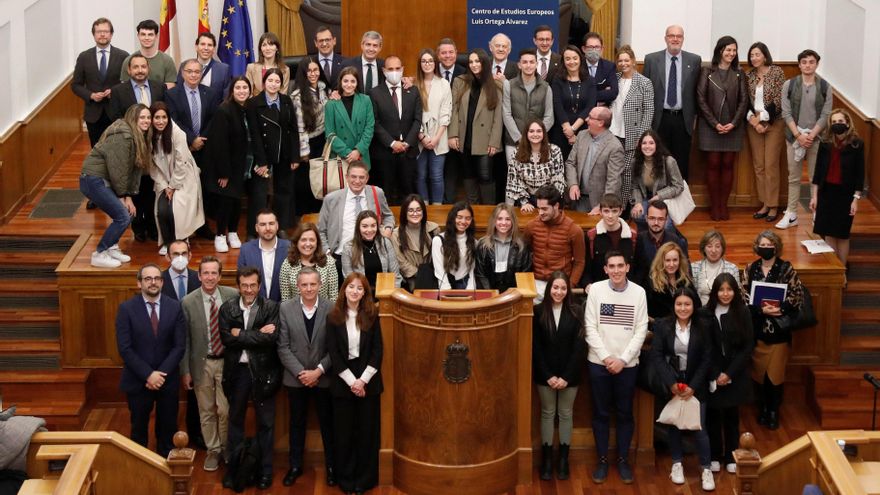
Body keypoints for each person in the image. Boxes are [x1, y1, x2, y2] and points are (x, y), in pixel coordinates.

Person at [584, 251, 648, 485]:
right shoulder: (597, 291)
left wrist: (622, 359)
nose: (616, 270)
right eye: (612, 266)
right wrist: (607, 357)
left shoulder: (639, 293)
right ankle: (601, 460)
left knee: (624, 414)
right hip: (598, 363)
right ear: (605, 269)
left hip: (628, 365)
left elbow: (641, 330)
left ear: (628, 268)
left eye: (621, 266)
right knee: (600, 413)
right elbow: (590, 327)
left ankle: (622, 459)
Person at [219, 266, 282, 490]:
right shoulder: (227, 309)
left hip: (265, 373)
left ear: (259, 286)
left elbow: (271, 339)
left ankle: (265, 471)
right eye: (244, 286)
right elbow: (227, 339)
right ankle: (233, 472)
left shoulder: (271, 307)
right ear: (238, 286)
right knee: (235, 422)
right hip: (237, 373)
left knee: (266, 424)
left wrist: (241, 334)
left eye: (253, 285)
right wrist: (256, 334)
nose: (248, 290)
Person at [115, 263, 186, 457]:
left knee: (168, 430)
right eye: (148, 279)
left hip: (167, 379)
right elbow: (125, 348)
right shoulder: (126, 309)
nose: (152, 283)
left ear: (162, 282)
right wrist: (148, 374)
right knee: (138, 430)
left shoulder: (175, 307)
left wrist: (160, 374)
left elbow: (179, 346)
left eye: (156, 279)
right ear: (139, 283)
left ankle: (165, 471)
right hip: (139, 381)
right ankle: (141, 471)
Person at [649, 287, 715, 492]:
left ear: (694, 305)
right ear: (674, 306)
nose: (683, 308)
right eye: (679, 304)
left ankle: (706, 468)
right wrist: (671, 384)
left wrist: (693, 387)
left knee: (699, 427)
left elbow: (706, 359)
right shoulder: (663, 326)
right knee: (674, 425)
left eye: (687, 304)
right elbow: (657, 356)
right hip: (673, 381)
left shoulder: (703, 326)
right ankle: (676, 463)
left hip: (696, 382)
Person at [277, 267, 337, 487]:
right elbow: (282, 347)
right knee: (296, 423)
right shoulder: (285, 308)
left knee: (327, 424)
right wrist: (302, 373)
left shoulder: (332, 308)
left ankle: (332, 467)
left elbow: (335, 347)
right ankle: (295, 466)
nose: (309, 288)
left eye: (313, 284)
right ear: (297, 286)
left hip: (324, 378)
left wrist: (319, 371)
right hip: (296, 378)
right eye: (304, 285)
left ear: (320, 285)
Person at [326, 273, 384, 494]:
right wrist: (352, 382)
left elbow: (378, 351)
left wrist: (363, 381)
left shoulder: (373, 315)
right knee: (344, 433)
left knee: (367, 432)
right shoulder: (333, 317)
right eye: (351, 287)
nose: (355, 292)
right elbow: (334, 353)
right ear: (344, 290)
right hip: (343, 381)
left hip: (368, 380)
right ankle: (346, 479)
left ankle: (365, 479)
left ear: (365, 293)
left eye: (360, 288)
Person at [742, 230, 805, 430]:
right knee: (759, 375)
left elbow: (797, 294)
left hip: (778, 332)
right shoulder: (751, 268)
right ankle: (762, 408)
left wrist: (780, 308)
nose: (766, 248)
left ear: (776, 247)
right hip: (758, 331)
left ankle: (773, 411)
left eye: (770, 245)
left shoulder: (786, 269)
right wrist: (760, 309)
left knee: (774, 377)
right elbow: (743, 295)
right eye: (763, 245)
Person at [180, 256, 238, 472]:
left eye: (214, 273)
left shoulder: (232, 296)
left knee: (224, 410)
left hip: (226, 363)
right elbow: (185, 340)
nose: (210, 277)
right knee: (206, 411)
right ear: (199, 275)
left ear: (220, 276)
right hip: (201, 364)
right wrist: (185, 371)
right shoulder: (188, 301)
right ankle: (213, 450)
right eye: (206, 273)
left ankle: (226, 448)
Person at [79, 103, 151, 268]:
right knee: (123, 216)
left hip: (104, 180)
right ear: (133, 118)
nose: (146, 121)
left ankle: (111, 246)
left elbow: (132, 171)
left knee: (128, 213)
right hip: (93, 180)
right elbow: (118, 169)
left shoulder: (136, 136)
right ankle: (100, 253)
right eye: (142, 117)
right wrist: (123, 196)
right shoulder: (123, 135)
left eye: (148, 117)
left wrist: (129, 197)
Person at [533, 271, 584, 480]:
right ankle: (546, 459)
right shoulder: (537, 311)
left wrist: (566, 376)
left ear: (568, 291)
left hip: (569, 376)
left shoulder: (576, 311)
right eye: (555, 287)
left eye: (563, 288)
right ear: (549, 289)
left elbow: (579, 347)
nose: (559, 292)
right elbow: (535, 347)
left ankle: (563, 459)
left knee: (565, 413)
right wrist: (547, 375)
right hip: (545, 375)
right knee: (547, 413)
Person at [108, 55, 164, 243]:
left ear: (148, 68)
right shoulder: (118, 91)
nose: (140, 70)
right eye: (135, 67)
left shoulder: (159, 87)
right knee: (135, 187)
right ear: (129, 70)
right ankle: (138, 226)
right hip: (130, 146)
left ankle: (152, 225)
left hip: (155, 145)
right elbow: (115, 117)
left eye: (143, 67)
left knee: (150, 187)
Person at [703, 273, 754, 474]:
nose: (725, 294)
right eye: (721, 290)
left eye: (729, 289)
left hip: (735, 371)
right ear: (715, 292)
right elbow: (706, 347)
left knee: (732, 417)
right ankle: (715, 455)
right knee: (713, 417)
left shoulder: (743, 312)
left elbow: (747, 346)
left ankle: (731, 454)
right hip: (713, 371)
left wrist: (729, 373)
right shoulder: (706, 313)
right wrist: (716, 374)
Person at [777, 49, 833, 230]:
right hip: (793, 137)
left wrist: (811, 135)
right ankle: (791, 214)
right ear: (799, 64)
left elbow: (826, 114)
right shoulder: (789, 85)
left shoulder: (825, 87)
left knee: (815, 178)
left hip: (816, 139)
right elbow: (786, 112)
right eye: (804, 62)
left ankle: (818, 213)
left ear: (817, 64)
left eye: (811, 62)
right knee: (793, 177)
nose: (808, 65)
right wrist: (798, 135)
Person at [696, 36, 749, 221]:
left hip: (733, 125)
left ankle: (723, 206)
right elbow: (700, 99)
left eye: (734, 50)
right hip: (711, 125)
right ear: (720, 51)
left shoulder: (739, 73)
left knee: (727, 165)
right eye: (728, 50)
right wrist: (715, 123)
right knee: (713, 164)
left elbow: (744, 101)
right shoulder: (707, 71)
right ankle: (714, 206)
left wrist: (734, 123)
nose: (731, 53)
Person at [317, 161, 395, 283]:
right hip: (339, 255)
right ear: (346, 177)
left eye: (361, 177)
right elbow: (321, 230)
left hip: (370, 255)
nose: (357, 181)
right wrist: (327, 253)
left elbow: (388, 216)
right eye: (353, 177)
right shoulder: (331, 199)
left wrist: (388, 229)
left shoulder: (377, 193)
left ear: (367, 178)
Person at [642, 25, 703, 180]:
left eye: (679, 36)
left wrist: (695, 118)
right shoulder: (651, 59)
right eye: (671, 36)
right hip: (659, 119)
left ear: (683, 39)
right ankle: (659, 201)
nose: (675, 39)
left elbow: (697, 91)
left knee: (681, 163)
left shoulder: (694, 60)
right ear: (665, 38)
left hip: (683, 119)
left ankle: (680, 201)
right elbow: (645, 92)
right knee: (658, 162)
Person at [810, 109, 865, 275]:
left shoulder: (856, 144)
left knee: (842, 235)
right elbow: (818, 172)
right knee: (828, 233)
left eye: (840, 121)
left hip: (845, 195)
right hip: (826, 193)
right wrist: (814, 196)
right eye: (834, 122)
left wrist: (855, 199)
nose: (837, 125)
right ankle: (832, 271)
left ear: (847, 123)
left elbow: (860, 174)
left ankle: (842, 271)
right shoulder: (825, 142)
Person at [246, 68, 300, 236]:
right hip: (263, 155)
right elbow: (254, 134)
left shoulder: (286, 101)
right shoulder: (254, 103)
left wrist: (295, 156)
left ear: (281, 84)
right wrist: (261, 161)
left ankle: (281, 227)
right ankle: (255, 230)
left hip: (284, 153)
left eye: (277, 81)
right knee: (259, 195)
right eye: (270, 81)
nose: (273, 84)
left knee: (283, 192)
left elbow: (293, 130)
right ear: (264, 83)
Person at [448, 48, 503, 204]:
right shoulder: (461, 81)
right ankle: (473, 209)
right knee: (468, 174)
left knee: (485, 175)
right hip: (464, 136)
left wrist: (494, 141)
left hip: (485, 139)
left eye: (477, 61)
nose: (473, 64)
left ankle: (488, 210)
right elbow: (454, 109)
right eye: (471, 61)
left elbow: (498, 117)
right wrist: (453, 134)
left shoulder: (496, 84)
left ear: (484, 62)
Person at [149, 102, 205, 255]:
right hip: (163, 179)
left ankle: (181, 240)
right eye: (157, 117)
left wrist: (173, 186)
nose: (161, 121)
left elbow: (181, 161)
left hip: (183, 177)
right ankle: (168, 242)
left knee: (178, 208)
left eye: (164, 117)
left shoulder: (177, 133)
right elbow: (151, 166)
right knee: (162, 209)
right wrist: (164, 185)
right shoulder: (148, 135)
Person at [205, 76, 251, 252]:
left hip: (241, 166)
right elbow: (219, 144)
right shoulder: (224, 110)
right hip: (226, 168)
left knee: (236, 201)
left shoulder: (246, 109)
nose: (242, 91)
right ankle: (220, 235)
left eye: (245, 88)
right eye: (238, 88)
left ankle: (232, 232)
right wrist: (223, 173)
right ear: (232, 90)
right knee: (225, 202)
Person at [370, 55, 423, 203]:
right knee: (385, 196)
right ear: (384, 70)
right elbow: (375, 122)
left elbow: (417, 120)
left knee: (408, 195)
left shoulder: (412, 91)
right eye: (390, 69)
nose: (394, 72)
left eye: (397, 69)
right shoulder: (374, 93)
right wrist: (393, 143)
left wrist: (406, 143)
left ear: (403, 70)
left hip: (408, 153)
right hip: (384, 154)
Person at [745, 42, 786, 223]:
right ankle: (764, 203)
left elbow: (779, 99)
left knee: (771, 165)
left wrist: (765, 120)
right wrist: (754, 121)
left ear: (765, 55)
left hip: (774, 123)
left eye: (757, 54)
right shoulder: (748, 75)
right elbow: (745, 101)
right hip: (754, 124)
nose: (754, 57)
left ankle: (773, 205)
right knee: (759, 166)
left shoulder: (776, 72)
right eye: (752, 55)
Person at [72, 17, 128, 146]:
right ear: (94, 34)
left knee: (117, 149)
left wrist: (114, 92)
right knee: (96, 150)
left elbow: (128, 83)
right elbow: (75, 85)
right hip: (93, 113)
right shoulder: (84, 57)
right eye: (98, 31)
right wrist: (91, 95)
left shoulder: (123, 56)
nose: (102, 34)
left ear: (111, 34)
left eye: (106, 31)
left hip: (116, 112)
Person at [610, 45, 654, 207]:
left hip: (632, 134)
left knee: (628, 172)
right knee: (614, 171)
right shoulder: (613, 79)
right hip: (613, 131)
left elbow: (649, 110)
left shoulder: (644, 82)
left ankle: (626, 205)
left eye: (626, 60)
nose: (623, 63)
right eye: (620, 60)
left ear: (633, 61)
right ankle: (612, 204)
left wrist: (641, 137)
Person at [524, 185, 586, 298]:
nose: (540, 213)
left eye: (544, 209)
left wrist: (569, 286)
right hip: (535, 284)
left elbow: (579, 262)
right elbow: (525, 255)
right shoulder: (531, 226)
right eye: (538, 208)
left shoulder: (574, 230)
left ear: (556, 206)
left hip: (560, 286)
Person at [501, 48, 554, 172]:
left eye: (531, 62)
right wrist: (520, 139)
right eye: (525, 62)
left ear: (536, 64)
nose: (528, 65)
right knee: (515, 177)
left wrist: (536, 137)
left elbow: (549, 117)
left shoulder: (546, 87)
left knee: (537, 178)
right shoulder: (509, 84)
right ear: (519, 65)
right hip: (514, 142)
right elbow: (506, 114)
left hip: (538, 143)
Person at [565, 106, 625, 214]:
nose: (586, 119)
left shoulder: (615, 147)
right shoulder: (582, 135)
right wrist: (573, 184)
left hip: (599, 204)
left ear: (600, 123)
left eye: (590, 117)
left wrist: (603, 205)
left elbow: (613, 181)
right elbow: (570, 163)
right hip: (578, 200)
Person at [291, 56, 329, 215]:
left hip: (323, 140)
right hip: (307, 143)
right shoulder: (297, 96)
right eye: (309, 71)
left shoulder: (323, 88)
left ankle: (319, 216)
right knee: (306, 183)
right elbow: (300, 128)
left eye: (315, 70)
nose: (313, 74)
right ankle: (306, 218)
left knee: (320, 181)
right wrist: (304, 152)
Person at [415, 48, 453, 205]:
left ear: (435, 63)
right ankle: (423, 207)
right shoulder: (414, 84)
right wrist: (422, 136)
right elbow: (411, 114)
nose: (427, 64)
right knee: (420, 175)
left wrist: (436, 138)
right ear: (420, 64)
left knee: (436, 176)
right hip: (419, 138)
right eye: (424, 61)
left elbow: (446, 113)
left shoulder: (444, 84)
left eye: (430, 60)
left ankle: (437, 209)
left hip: (439, 137)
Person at [629, 130, 684, 231]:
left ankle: (672, 241)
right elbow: (635, 186)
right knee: (638, 215)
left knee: (666, 226)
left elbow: (679, 186)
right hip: (647, 199)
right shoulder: (635, 162)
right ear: (640, 145)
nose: (647, 146)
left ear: (657, 145)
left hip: (665, 200)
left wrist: (659, 196)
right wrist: (638, 203)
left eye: (651, 143)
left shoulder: (668, 161)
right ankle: (645, 239)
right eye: (644, 143)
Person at [505, 119, 566, 209]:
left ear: (544, 133)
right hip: (527, 200)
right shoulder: (517, 153)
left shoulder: (555, 151)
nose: (535, 134)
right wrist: (524, 202)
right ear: (526, 134)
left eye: (539, 131)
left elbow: (558, 179)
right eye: (531, 131)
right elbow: (514, 180)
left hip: (550, 200)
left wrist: (548, 202)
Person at [324, 67, 376, 169]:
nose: (349, 84)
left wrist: (358, 150)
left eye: (353, 81)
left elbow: (369, 127)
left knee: (360, 183)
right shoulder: (331, 104)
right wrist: (348, 153)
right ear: (340, 82)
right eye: (345, 81)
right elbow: (329, 134)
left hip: (361, 155)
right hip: (340, 158)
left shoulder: (366, 100)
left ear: (357, 83)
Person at [550, 45, 597, 159]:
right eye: (568, 59)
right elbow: (557, 105)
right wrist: (568, 129)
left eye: (575, 58)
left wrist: (573, 129)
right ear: (563, 61)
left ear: (580, 59)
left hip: (583, 130)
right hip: (561, 131)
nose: (572, 62)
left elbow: (590, 106)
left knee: (581, 166)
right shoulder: (557, 80)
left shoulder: (590, 80)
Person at [475, 203, 532, 292]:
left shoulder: (522, 246)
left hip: (513, 297)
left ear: (513, 221)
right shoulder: (483, 245)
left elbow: (524, 275)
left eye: (508, 219)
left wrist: (513, 296)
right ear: (494, 221)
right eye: (499, 219)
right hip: (489, 297)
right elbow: (480, 275)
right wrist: (491, 296)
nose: (503, 223)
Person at [583, 193, 636, 290]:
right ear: (600, 212)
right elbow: (586, 266)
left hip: (627, 290)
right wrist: (587, 285)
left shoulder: (633, 236)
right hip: (599, 290)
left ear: (620, 211)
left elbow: (638, 267)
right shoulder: (591, 236)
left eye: (614, 211)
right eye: (606, 211)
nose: (610, 216)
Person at [237, 209, 292, 302]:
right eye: (263, 224)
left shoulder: (290, 248)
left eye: (271, 223)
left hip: (283, 309)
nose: (267, 228)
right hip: (255, 308)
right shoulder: (246, 250)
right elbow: (241, 280)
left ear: (277, 225)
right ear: (256, 227)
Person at [391, 194, 440, 291]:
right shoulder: (396, 235)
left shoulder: (434, 229)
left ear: (423, 211)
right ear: (405, 212)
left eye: (418, 210)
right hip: (411, 281)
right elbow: (401, 262)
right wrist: (421, 275)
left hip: (434, 279)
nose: (415, 213)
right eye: (411, 210)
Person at [632, 201, 689, 286]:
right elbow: (637, 271)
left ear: (666, 220)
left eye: (660, 219)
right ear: (646, 218)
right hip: (647, 291)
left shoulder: (676, 241)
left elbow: (685, 271)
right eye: (652, 218)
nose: (656, 223)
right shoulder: (639, 240)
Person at [279, 222, 339, 302]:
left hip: (324, 312)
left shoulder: (329, 262)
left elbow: (333, 298)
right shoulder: (287, 264)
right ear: (297, 242)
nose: (308, 244)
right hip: (295, 313)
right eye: (303, 240)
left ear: (317, 242)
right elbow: (286, 300)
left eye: (312, 240)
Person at [342, 210, 402, 290]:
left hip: (385, 293)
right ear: (358, 228)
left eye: (373, 226)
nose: (369, 230)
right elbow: (348, 279)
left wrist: (392, 295)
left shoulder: (385, 243)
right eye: (365, 226)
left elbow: (395, 276)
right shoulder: (348, 248)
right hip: (360, 295)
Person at [431, 202, 477, 290]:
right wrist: (446, 291)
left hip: (465, 284)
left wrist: (470, 288)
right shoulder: (439, 240)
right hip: (445, 284)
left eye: (468, 218)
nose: (463, 222)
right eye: (459, 217)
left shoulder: (474, 242)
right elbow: (439, 270)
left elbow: (471, 269)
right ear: (453, 218)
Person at [120, 20, 177, 89]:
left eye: (150, 35)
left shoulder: (167, 61)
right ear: (138, 36)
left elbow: (170, 88)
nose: (146, 38)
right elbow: (124, 89)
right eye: (143, 34)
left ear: (156, 36)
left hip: (160, 99)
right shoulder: (129, 60)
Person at [646, 241, 694, 321]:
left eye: (675, 260)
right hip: (660, 327)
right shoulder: (651, 283)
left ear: (680, 261)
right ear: (661, 261)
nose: (671, 264)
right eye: (667, 260)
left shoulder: (686, 280)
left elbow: (696, 304)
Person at [175, 32, 231, 97]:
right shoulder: (184, 65)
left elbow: (226, 97)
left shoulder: (224, 69)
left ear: (214, 49)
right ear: (196, 47)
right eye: (202, 44)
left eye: (210, 45)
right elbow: (179, 91)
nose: (206, 48)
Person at [691, 230, 740, 305]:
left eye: (717, 246)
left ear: (722, 248)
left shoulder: (732, 268)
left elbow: (736, 295)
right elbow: (691, 295)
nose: (713, 250)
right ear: (704, 248)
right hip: (701, 311)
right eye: (709, 246)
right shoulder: (694, 267)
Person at [581, 32, 618, 107]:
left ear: (602, 49)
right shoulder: (578, 66)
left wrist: (586, 95)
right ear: (584, 49)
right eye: (590, 47)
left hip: (600, 113)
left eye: (597, 47)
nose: (594, 50)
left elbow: (613, 93)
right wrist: (603, 92)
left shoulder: (609, 67)